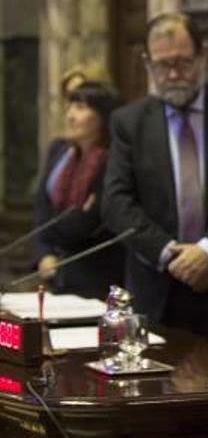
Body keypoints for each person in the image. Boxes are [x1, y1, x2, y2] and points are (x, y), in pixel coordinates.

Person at [102, 13, 208, 342]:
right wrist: (175, 257)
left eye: (184, 62)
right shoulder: (129, 122)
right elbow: (116, 203)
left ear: (204, 55)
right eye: (162, 65)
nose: (173, 74)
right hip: (158, 291)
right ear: (147, 63)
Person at [33, 81, 125, 298]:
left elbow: (87, 223)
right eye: (70, 107)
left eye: (81, 108)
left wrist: (53, 234)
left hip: (96, 276)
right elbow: (42, 207)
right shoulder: (61, 153)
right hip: (57, 273)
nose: (70, 116)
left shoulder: (113, 161)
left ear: (102, 116)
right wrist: (44, 253)